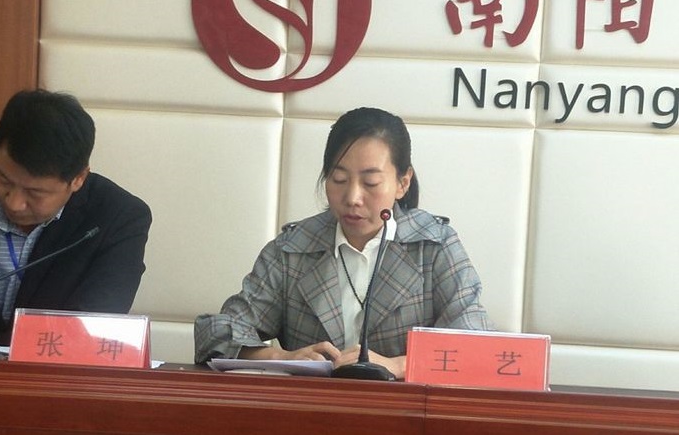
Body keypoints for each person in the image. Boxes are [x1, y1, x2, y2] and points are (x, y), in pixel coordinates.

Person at [194, 107, 491, 379]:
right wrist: (282, 357)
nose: (352, 197)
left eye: (371, 183)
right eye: (338, 179)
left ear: (403, 183)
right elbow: (216, 333)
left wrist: (399, 365)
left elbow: (476, 345)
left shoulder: (434, 247)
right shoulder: (293, 249)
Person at [0, 89, 152, 346]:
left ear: (78, 178)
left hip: (55, 370)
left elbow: (91, 330)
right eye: (4, 179)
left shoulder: (118, 218)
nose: (14, 202)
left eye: (35, 192)